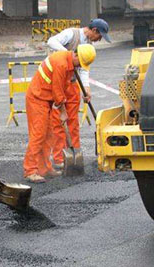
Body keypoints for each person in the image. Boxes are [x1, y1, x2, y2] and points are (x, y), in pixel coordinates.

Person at [23, 44, 96, 183]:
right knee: (38, 134)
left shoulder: (69, 63)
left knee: (49, 135)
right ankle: (30, 170)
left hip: (46, 99)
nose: (80, 66)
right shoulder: (61, 64)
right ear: (75, 55)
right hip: (37, 99)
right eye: (80, 63)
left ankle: (44, 168)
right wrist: (63, 111)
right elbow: (57, 91)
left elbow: (62, 88)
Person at [47, 18, 111, 170]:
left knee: (73, 122)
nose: (99, 40)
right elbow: (51, 41)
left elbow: (83, 68)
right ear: (94, 30)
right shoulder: (71, 34)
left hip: (73, 84)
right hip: (58, 81)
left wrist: (86, 88)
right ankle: (59, 158)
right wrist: (69, 55)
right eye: (99, 36)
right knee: (58, 122)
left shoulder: (88, 46)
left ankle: (75, 154)